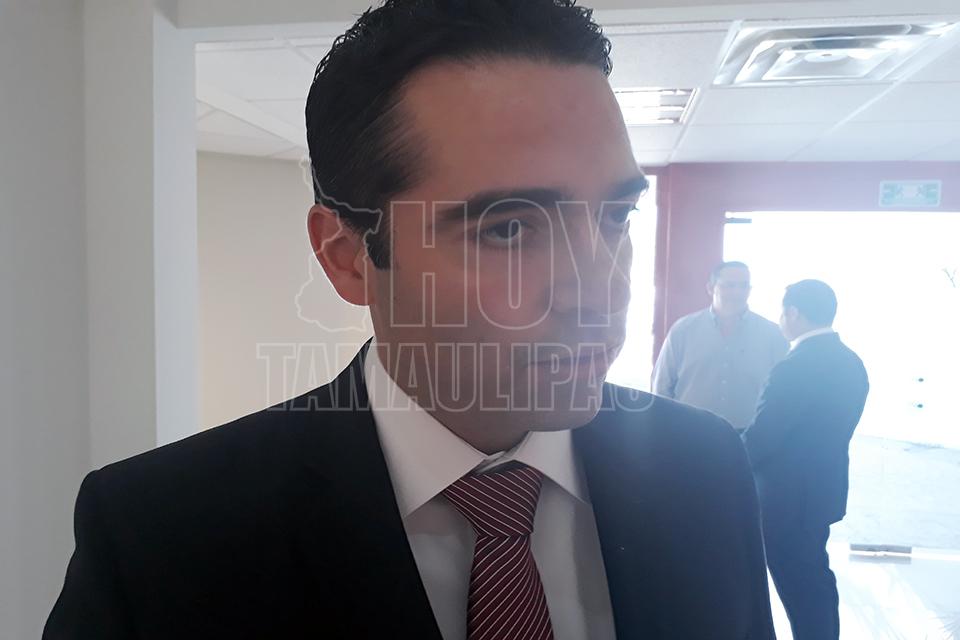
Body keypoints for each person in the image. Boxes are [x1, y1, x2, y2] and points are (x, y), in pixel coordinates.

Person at [44, 2, 775, 638]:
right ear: (348, 258)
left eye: (615, 216)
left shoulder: (705, 471)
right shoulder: (159, 538)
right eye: (508, 230)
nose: (600, 291)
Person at [742, 279, 869, 640]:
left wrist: (725, 456)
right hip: (821, 492)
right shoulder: (851, 363)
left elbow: (765, 435)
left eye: (783, 311)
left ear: (793, 313)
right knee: (815, 580)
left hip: (786, 498)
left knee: (799, 584)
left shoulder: (795, 366)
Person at [652, 261, 788, 431]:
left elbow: (784, 389)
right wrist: (664, 427)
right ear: (710, 288)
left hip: (750, 435)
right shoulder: (683, 330)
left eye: (744, 286)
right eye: (729, 285)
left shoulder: (773, 334)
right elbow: (662, 384)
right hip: (689, 430)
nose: (737, 292)